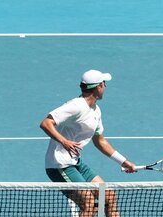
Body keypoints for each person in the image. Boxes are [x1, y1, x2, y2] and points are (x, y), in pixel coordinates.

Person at [40, 69, 137, 217]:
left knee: (109, 197)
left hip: (76, 163)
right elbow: (46, 123)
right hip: (60, 165)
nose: (105, 87)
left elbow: (99, 140)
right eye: (104, 83)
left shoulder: (95, 111)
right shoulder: (76, 106)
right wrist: (64, 141)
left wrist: (123, 161)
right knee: (89, 203)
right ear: (98, 87)